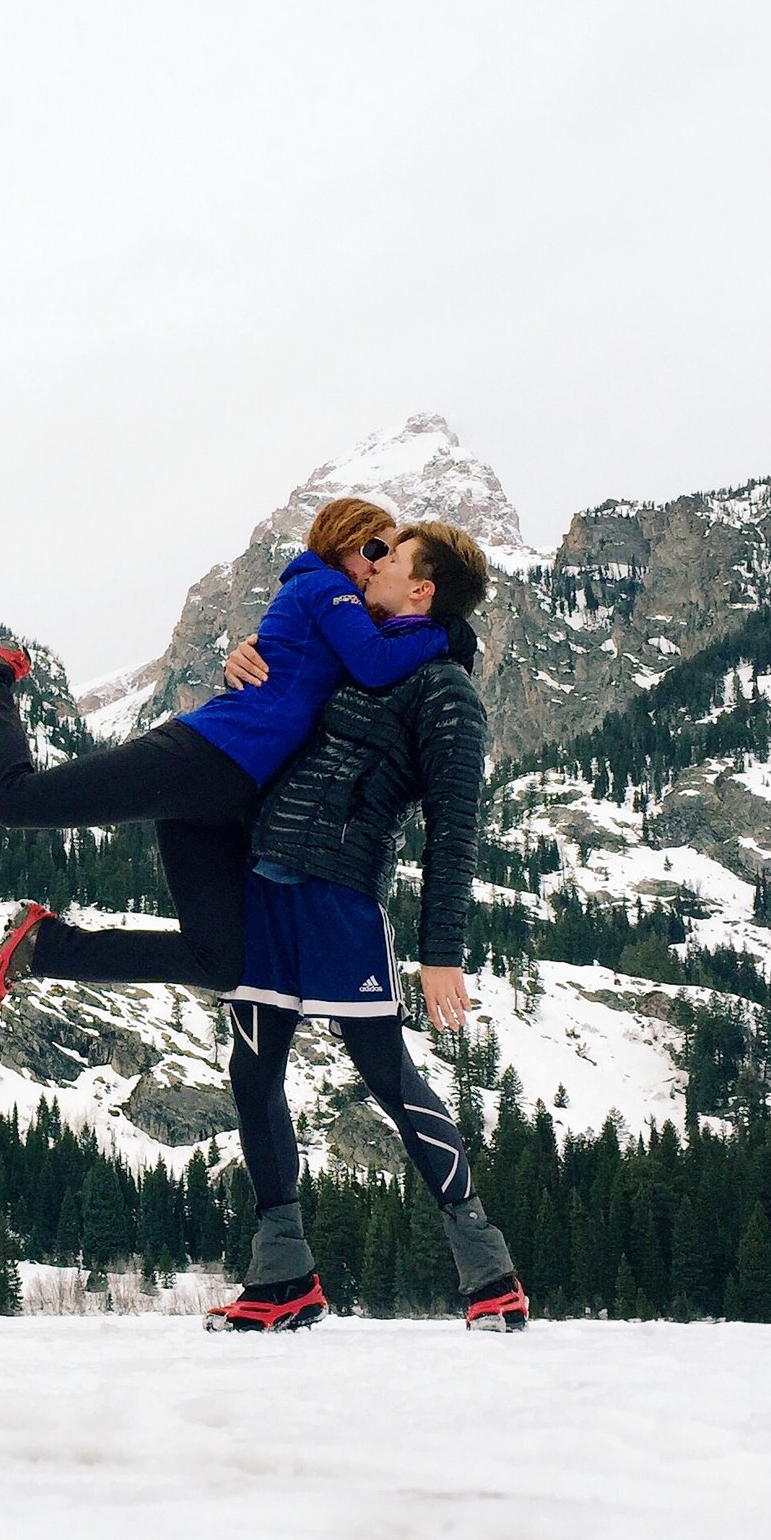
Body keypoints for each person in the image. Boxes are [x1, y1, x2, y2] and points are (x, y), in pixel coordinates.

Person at [0, 497, 463, 1007]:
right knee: (14, 801)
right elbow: (373, 663)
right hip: (205, 756)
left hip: (224, 791)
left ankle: (45, 946)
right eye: (374, 549)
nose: (379, 564)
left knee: (219, 962)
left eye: (390, 555)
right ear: (341, 545)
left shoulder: (339, 605)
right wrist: (447, 635)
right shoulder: (329, 589)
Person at [199, 522, 531, 1334]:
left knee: (389, 1079)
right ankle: (284, 1280)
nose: (371, 564)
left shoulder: (447, 690)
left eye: (391, 558)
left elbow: (456, 825)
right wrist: (244, 657)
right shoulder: (355, 645)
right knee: (253, 1074)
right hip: (266, 885)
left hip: (340, 898)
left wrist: (440, 953)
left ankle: (490, 1274)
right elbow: (282, 711)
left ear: (422, 590)